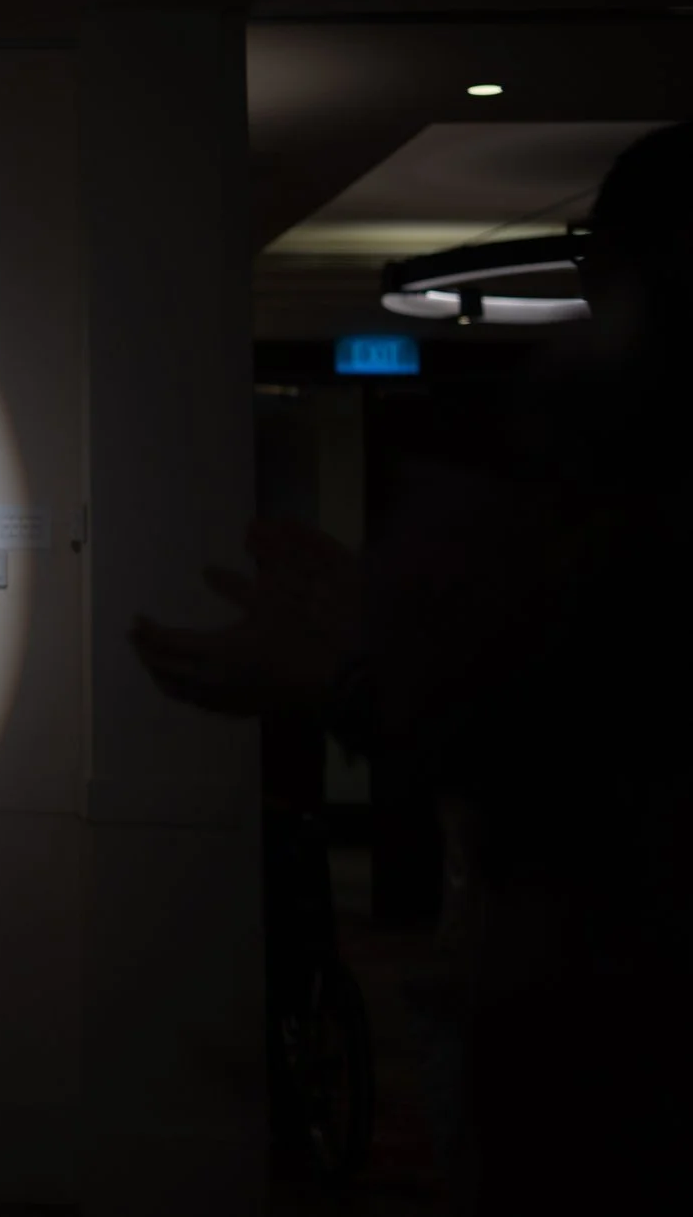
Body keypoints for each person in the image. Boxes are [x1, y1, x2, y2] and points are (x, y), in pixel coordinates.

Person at [131, 121, 692, 1213]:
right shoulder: (586, 456)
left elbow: (600, 750)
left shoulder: (612, 455)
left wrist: (367, 675)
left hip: (611, 1026)